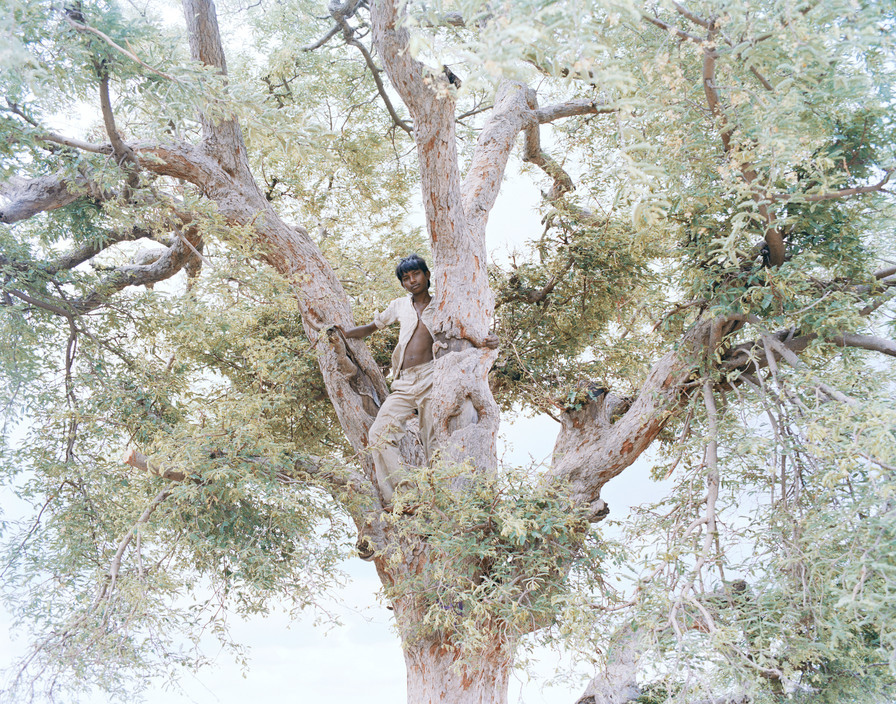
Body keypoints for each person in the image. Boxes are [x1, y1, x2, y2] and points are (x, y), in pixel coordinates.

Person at [335, 254, 437, 508]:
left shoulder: (444, 304)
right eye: (406, 278)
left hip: (432, 377)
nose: (412, 281)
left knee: (433, 441)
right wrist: (345, 334)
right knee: (378, 435)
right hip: (403, 382)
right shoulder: (400, 305)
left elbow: (469, 327)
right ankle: (405, 497)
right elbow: (372, 327)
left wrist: (491, 339)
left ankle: (439, 499)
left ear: (426, 274)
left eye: (416, 274)